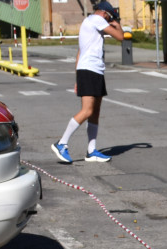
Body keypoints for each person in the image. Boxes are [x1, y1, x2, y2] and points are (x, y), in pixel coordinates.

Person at [51, 1, 124, 164]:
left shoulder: (88, 22)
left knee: (95, 111)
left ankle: (92, 151)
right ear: (105, 14)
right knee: (87, 110)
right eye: (109, 16)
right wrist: (116, 22)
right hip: (90, 70)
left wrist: (78, 77)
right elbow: (120, 37)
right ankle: (62, 143)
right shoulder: (97, 20)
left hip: (92, 70)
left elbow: (80, 52)